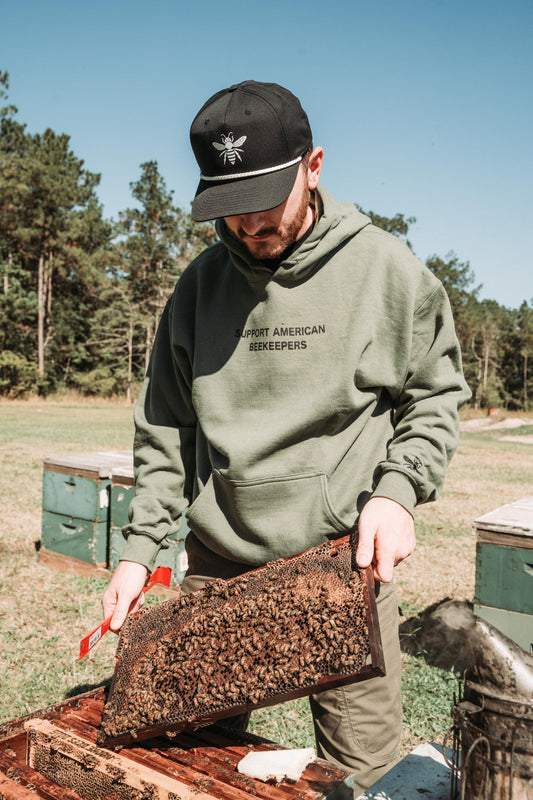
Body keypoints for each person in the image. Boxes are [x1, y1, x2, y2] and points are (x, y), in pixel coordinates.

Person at [103, 80, 471, 794]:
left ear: (315, 165)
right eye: (228, 204)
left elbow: (434, 396)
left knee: (367, 777)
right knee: (192, 769)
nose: (247, 221)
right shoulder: (196, 291)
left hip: (343, 568)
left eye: (265, 197)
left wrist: (396, 492)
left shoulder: (388, 274)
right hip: (218, 570)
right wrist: (139, 552)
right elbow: (166, 434)